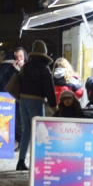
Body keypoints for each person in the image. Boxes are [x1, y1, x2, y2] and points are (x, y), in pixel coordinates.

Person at [14, 40, 56, 172]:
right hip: (36, 101)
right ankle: (39, 162)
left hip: (23, 100)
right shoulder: (44, 68)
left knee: (27, 130)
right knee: (40, 131)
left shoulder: (26, 67)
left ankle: (21, 161)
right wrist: (54, 106)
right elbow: (49, 89)